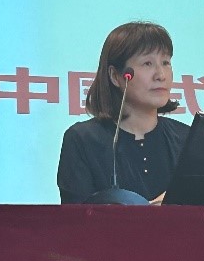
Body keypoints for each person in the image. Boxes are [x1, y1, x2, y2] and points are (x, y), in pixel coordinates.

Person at [57, 21, 188, 204]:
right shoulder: (82, 140)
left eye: (166, 63)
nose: (161, 75)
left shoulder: (186, 139)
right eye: (147, 63)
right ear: (115, 76)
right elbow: (75, 218)